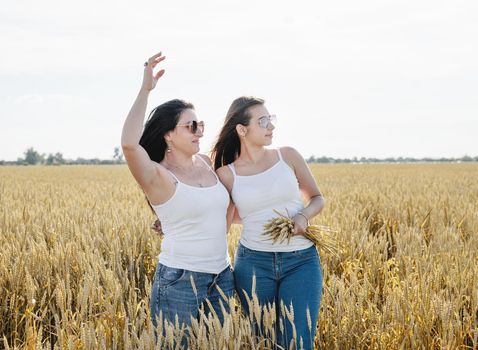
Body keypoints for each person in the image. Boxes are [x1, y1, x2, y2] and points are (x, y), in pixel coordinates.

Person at [121, 52, 235, 344]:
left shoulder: (208, 165)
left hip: (221, 276)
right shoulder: (158, 176)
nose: (199, 131)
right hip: (180, 281)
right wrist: (145, 90)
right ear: (169, 135)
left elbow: (226, 210)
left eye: (200, 124)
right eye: (190, 126)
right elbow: (129, 144)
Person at [211, 96, 325, 350]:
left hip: (301, 261)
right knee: (264, 341)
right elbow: (221, 220)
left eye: (271, 119)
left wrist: (303, 216)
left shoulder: (288, 157)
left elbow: (317, 198)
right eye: (263, 121)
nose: (271, 126)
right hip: (253, 265)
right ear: (242, 129)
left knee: (298, 341)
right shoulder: (227, 174)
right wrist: (171, 223)